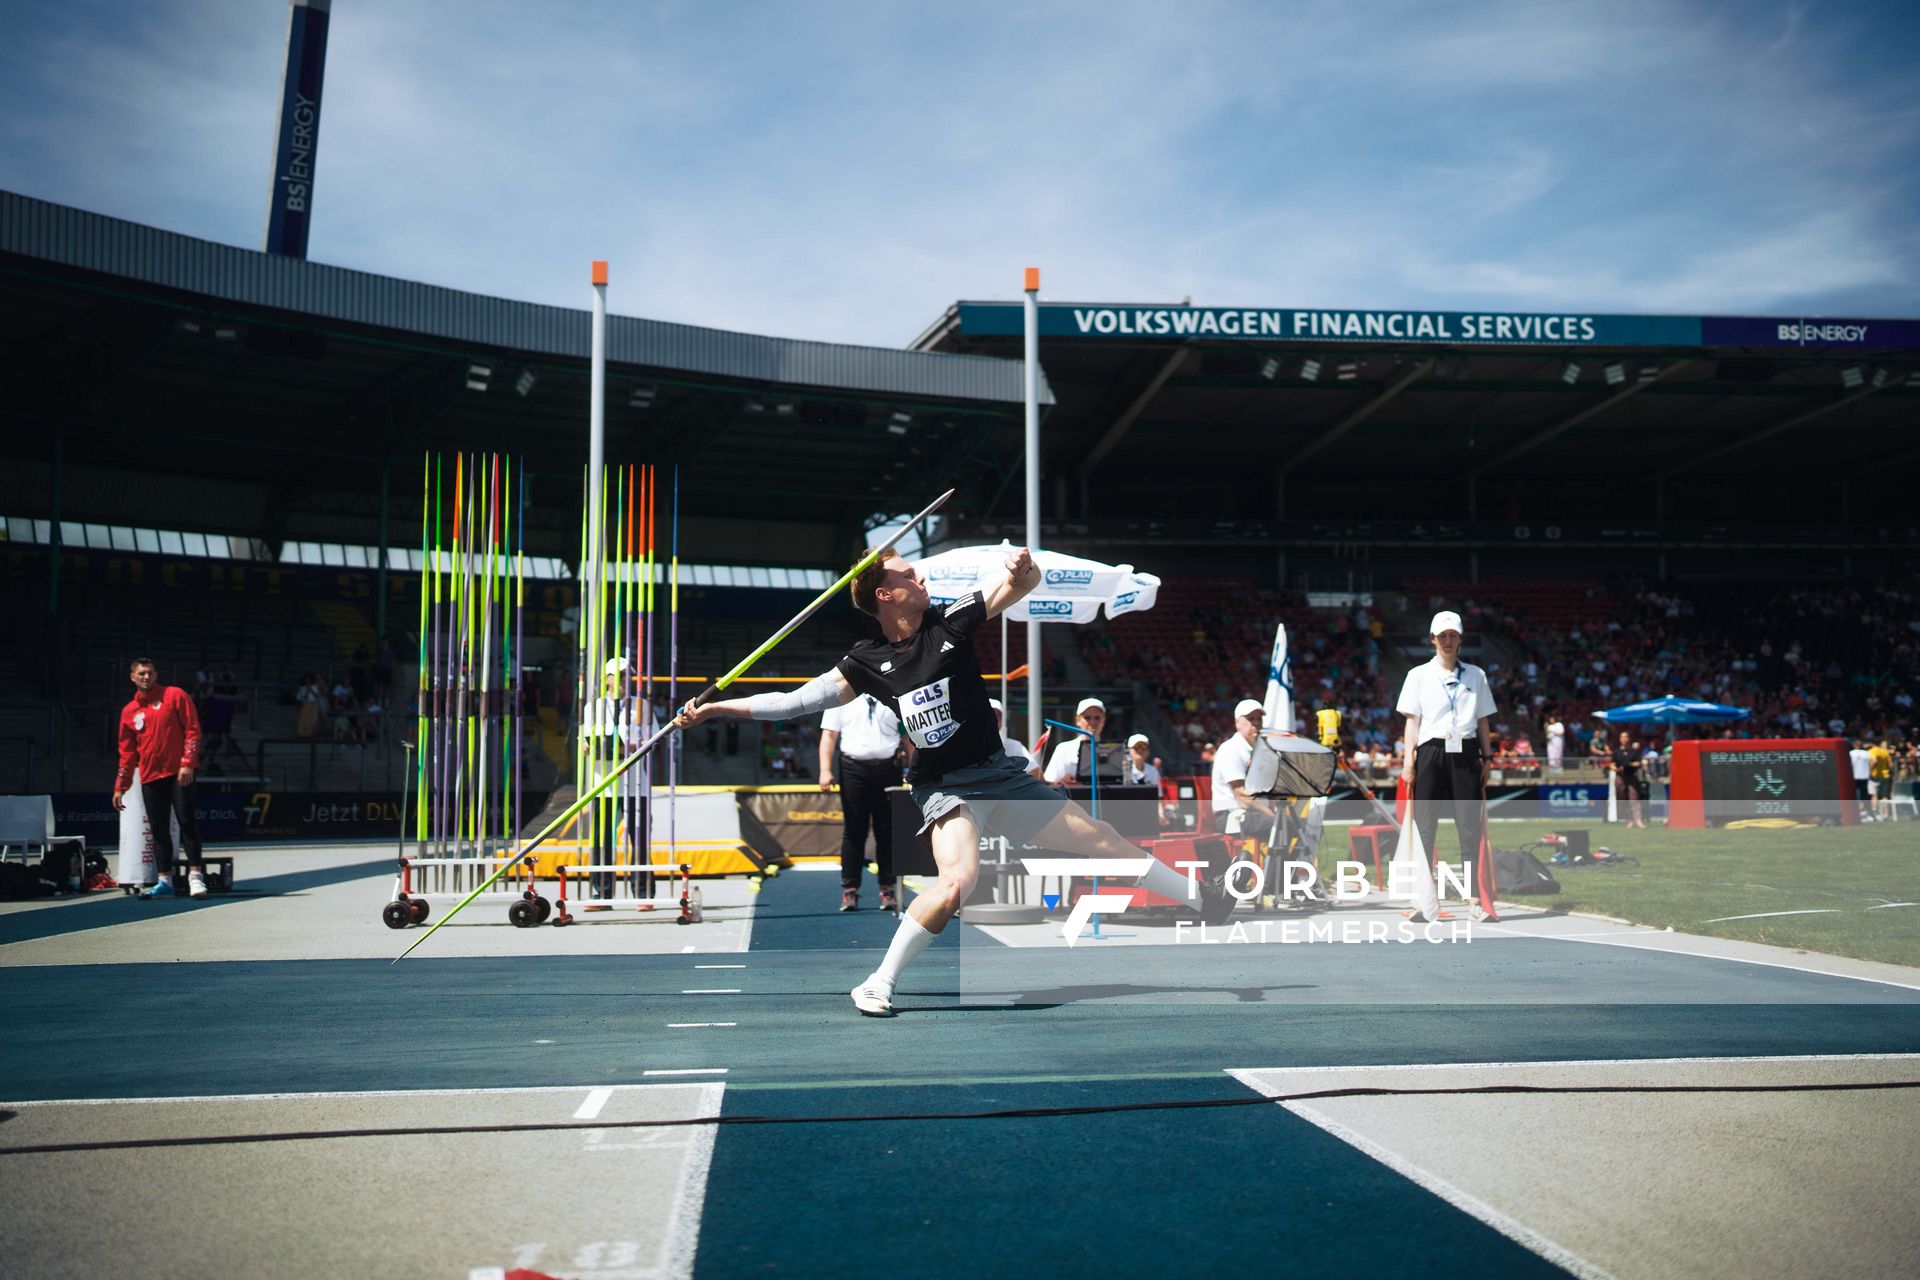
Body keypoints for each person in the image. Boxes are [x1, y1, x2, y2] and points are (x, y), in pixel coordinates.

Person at [676, 547, 1233, 1017]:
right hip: (942, 786)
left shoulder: (950, 621)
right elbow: (794, 702)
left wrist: (1022, 571)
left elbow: (1018, 585)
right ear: (885, 595)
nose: (922, 577)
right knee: (959, 879)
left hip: (999, 776)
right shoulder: (865, 660)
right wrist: (717, 708)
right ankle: (878, 982)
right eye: (907, 574)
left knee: (1103, 842)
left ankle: (1199, 899)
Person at [1396, 611, 1497, 878]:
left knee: (1468, 825)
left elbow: (1483, 720)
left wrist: (1488, 759)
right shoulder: (1418, 675)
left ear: (1461, 639)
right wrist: (1408, 762)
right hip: (1431, 750)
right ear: (1432, 639)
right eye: (1442, 636)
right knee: (1426, 826)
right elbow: (1412, 723)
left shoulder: (1476, 675)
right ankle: (1425, 896)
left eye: (1453, 636)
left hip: (1466, 750)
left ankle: (1474, 896)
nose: (1448, 641)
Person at [112, 658, 209, 898]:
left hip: (179, 773)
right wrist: (120, 786)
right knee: (158, 829)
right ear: (133, 677)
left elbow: (193, 729)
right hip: (150, 776)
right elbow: (126, 753)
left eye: (150, 673)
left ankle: (196, 877)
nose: (146, 677)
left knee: (186, 820)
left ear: (156, 675)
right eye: (142, 674)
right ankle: (164, 879)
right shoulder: (129, 712)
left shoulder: (174, 695)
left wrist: (187, 763)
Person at [819, 691, 905, 912]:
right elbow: (829, 735)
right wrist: (825, 770)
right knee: (854, 829)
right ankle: (850, 890)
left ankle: (887, 888)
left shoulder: (893, 694)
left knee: (887, 830)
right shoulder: (839, 698)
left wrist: (915, 769)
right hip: (853, 767)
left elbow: (907, 735)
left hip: (889, 766)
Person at [1210, 699, 1275, 838]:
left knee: (1293, 824)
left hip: (1253, 813)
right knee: (1282, 826)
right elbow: (1241, 795)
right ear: (1237, 723)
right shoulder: (1231, 749)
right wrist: (1272, 814)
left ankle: (1280, 859)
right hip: (1231, 816)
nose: (1257, 723)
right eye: (1251, 719)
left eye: (1259, 718)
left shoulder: (1260, 750)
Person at [1043, 697, 1107, 787]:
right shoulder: (1064, 749)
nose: (1093, 722)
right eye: (1087, 718)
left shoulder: (1116, 749)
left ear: (1103, 720)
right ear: (1078, 720)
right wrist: (1062, 782)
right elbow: (1050, 784)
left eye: (1097, 718)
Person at [1609, 729, 1648, 828]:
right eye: (1622, 737)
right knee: (1622, 797)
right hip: (1620, 776)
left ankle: (1638, 819)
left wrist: (1628, 765)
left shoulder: (1634, 751)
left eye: (1626, 737)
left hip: (1631, 776)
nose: (1624, 739)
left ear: (1629, 739)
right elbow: (1612, 764)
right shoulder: (1617, 752)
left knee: (1633, 797)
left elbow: (1638, 763)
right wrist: (1616, 769)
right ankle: (1628, 819)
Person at [988, 698, 1036, 774]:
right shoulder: (966, 745)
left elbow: (1035, 771)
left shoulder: (1014, 746)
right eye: (987, 714)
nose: (993, 719)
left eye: (997, 715)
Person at [1868, 739, 1896, 822]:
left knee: (1874, 795)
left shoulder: (1872, 751)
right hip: (1885, 775)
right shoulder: (1885, 752)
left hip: (1875, 776)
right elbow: (1891, 765)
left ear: (1872, 743)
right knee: (1884, 796)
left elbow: (1874, 761)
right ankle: (1885, 814)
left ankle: (1875, 813)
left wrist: (1870, 771)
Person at [1849, 739, 1874, 821]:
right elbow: (1873, 761)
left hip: (1854, 776)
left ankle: (1857, 812)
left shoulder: (1851, 753)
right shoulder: (1866, 753)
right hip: (1864, 776)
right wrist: (1870, 771)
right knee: (1864, 796)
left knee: (1855, 796)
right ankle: (1865, 812)